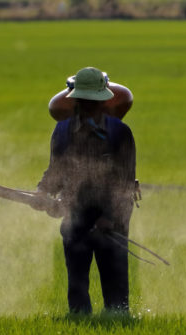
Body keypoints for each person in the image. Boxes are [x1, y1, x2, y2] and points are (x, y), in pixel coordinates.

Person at [34, 67, 139, 315]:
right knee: (77, 281)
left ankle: (118, 318)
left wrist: (109, 219)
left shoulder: (120, 133)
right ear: (76, 100)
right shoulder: (62, 131)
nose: (88, 106)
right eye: (84, 101)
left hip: (112, 218)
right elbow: (55, 171)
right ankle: (80, 319)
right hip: (75, 214)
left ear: (103, 101)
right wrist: (42, 192)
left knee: (115, 280)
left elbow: (125, 183)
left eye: (93, 102)